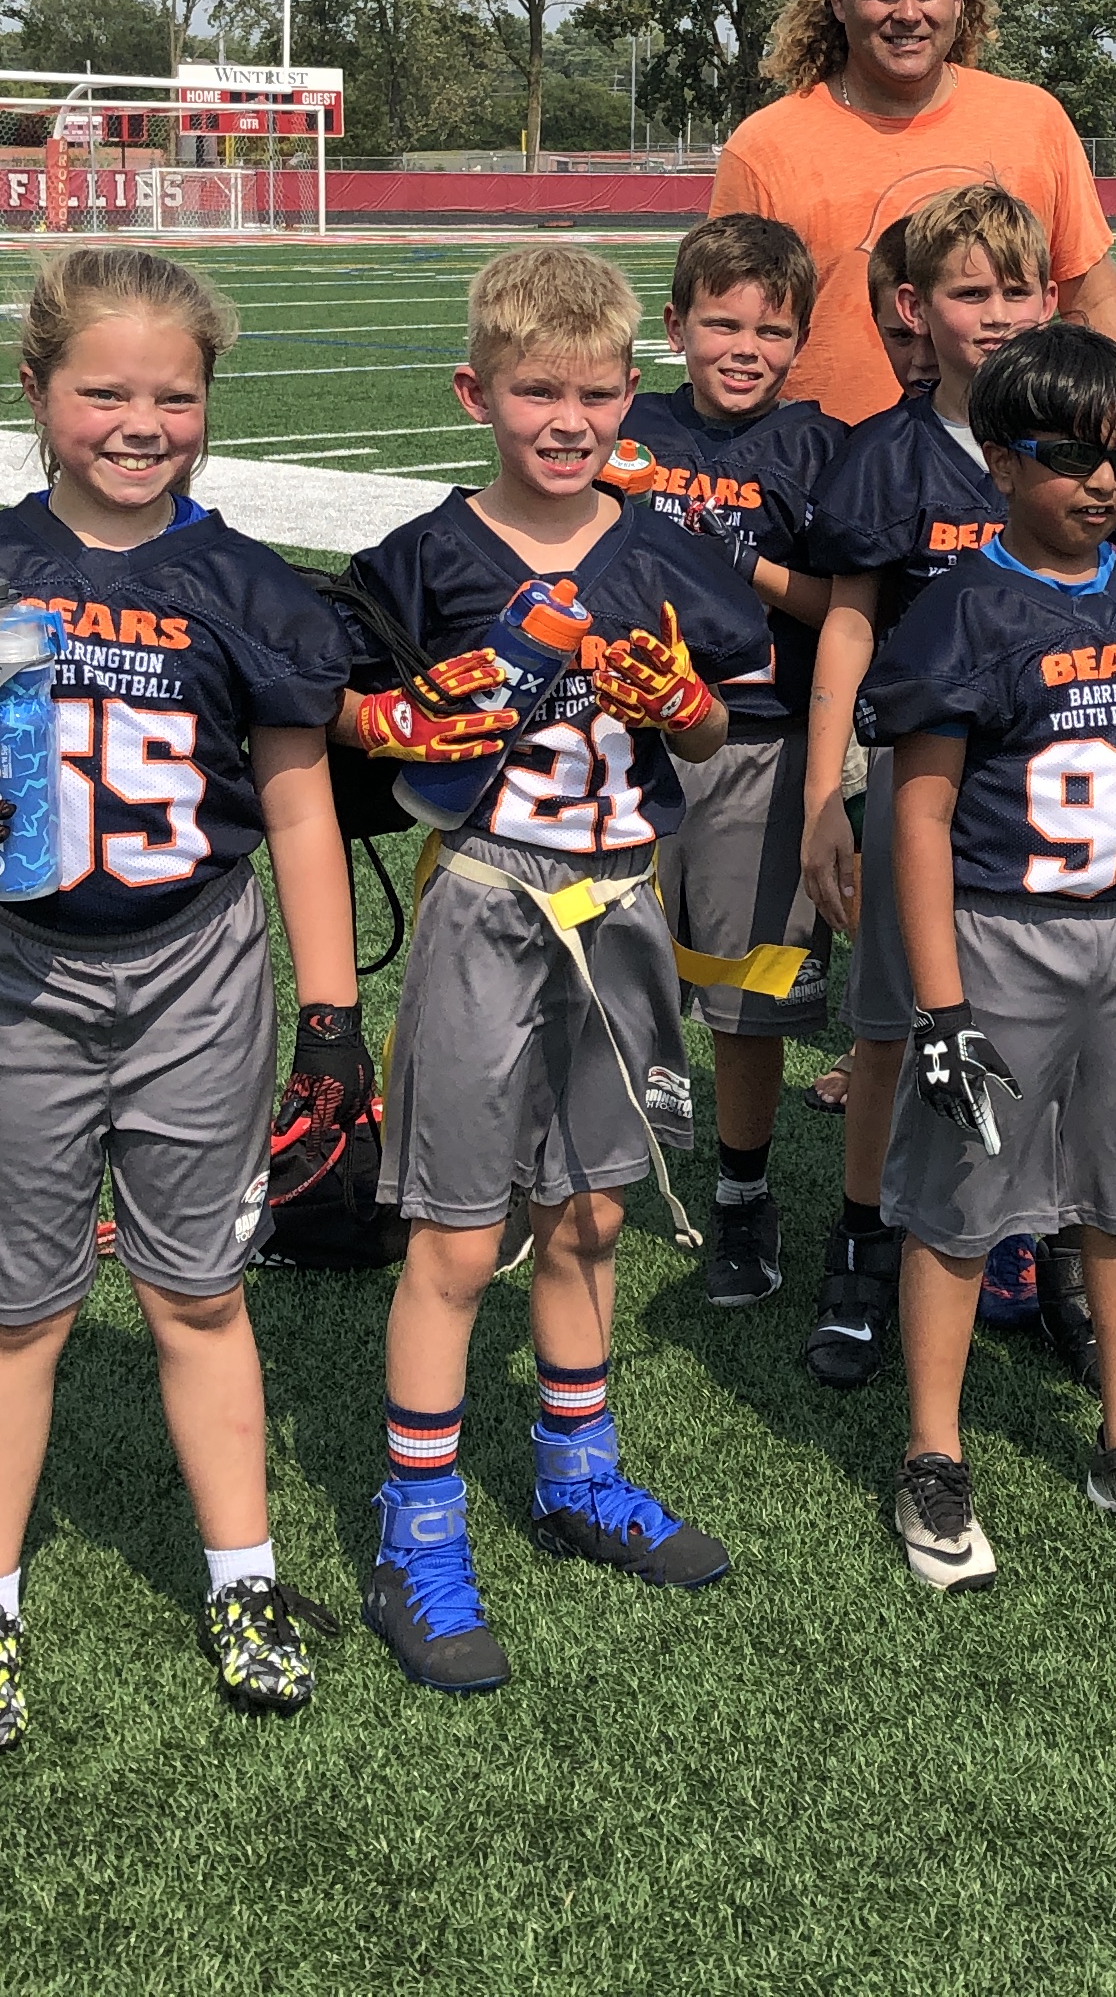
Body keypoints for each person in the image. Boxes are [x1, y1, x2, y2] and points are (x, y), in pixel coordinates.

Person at [0, 247, 361, 1752]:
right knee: (20, 1307)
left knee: (200, 1291)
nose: (142, 424)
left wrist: (331, 1016)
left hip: (197, 963)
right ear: (36, 391)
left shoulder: (248, 588)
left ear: (209, 401)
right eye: (105, 392)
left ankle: (243, 1574)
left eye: (174, 396)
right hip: (15, 972)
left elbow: (303, 810)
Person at [335, 245, 773, 1692]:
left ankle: (577, 1471)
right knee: (461, 1235)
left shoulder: (660, 552)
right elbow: (342, 710)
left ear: (630, 395)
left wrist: (690, 707)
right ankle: (417, 1530)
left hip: (624, 895)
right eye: (537, 392)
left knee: (590, 1211)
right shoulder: (424, 558)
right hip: (486, 896)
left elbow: (711, 731)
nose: (567, 420)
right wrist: (399, 721)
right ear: (478, 393)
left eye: (593, 393)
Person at [792, 184, 1116, 1386]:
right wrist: (824, 798)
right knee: (893, 1026)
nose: (1000, 313)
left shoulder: (1107, 456)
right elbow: (850, 626)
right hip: (925, 791)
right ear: (916, 309)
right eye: (972, 291)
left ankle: (1054, 1240)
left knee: (1062, 1047)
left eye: (1020, 289)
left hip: (1054, 801)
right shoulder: (891, 456)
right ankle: (865, 1243)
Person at [867, 326, 1116, 1589]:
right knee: (962, 1205)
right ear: (999, 459)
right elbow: (919, 816)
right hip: (1005, 933)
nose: (1103, 482)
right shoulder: (959, 610)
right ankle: (933, 1449)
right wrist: (940, 1007)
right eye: (1072, 457)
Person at [619, 213, 847, 1309]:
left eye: (772, 329)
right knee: (603, 966)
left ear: (801, 340)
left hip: (760, 735)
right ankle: (574, 1174)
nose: (745, 348)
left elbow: (845, 605)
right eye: (722, 324)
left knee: (745, 991)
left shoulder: (819, 447)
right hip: (625, 735)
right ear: (675, 327)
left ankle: (743, 1193)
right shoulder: (630, 424)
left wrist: (735, 558)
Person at [707, 0, 1116, 422]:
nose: (908, 14)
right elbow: (725, 323)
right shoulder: (765, 145)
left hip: (1011, 453)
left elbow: (1089, 295)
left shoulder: (1034, 120)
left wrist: (1115, 426)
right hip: (823, 456)